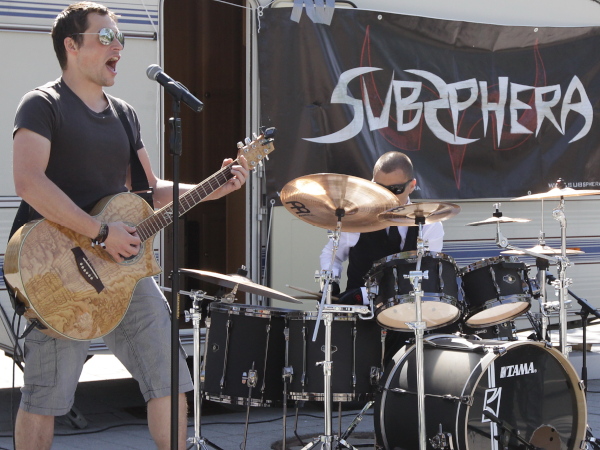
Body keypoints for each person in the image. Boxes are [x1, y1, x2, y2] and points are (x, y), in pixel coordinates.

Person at [10, 3, 248, 449]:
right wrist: (100, 232)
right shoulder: (43, 104)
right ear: (71, 45)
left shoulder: (123, 114)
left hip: (123, 269)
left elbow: (149, 190)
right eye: (105, 37)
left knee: (168, 376)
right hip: (56, 271)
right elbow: (28, 182)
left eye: (119, 37)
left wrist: (215, 187)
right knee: (45, 397)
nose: (117, 45)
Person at [319, 151, 444, 363]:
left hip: (407, 314)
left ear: (412, 185)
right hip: (361, 312)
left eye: (395, 190)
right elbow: (332, 255)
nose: (387, 196)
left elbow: (428, 273)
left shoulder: (429, 223)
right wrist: (330, 282)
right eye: (379, 188)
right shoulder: (356, 218)